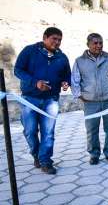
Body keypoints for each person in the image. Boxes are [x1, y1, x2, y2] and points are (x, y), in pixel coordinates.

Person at [14, 27, 71, 175]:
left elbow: (67, 75)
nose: (57, 42)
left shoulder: (62, 57)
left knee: (48, 133)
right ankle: (36, 154)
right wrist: (35, 82)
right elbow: (18, 70)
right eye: (54, 39)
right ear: (45, 37)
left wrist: (66, 82)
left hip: (50, 101)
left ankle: (45, 161)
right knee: (30, 131)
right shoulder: (29, 51)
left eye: (59, 40)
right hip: (29, 99)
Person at [71, 33, 108, 165]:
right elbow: (75, 80)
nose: (99, 45)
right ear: (88, 44)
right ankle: (94, 154)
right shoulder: (80, 61)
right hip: (90, 102)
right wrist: (80, 97)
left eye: (101, 43)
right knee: (92, 130)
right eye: (95, 43)